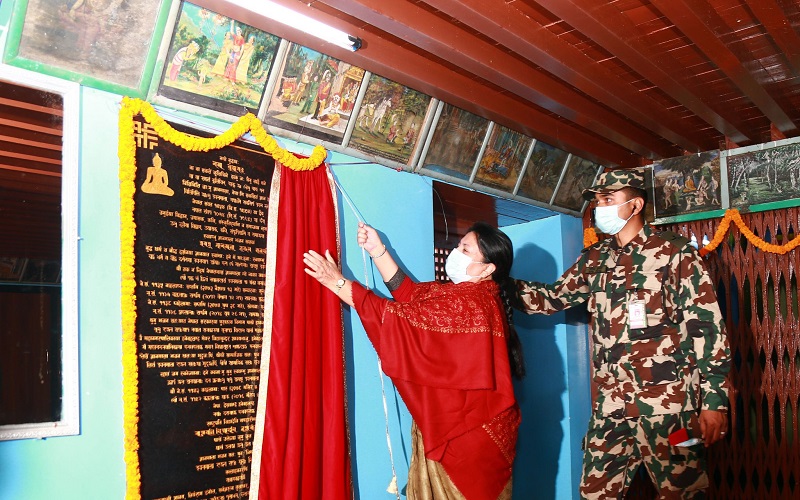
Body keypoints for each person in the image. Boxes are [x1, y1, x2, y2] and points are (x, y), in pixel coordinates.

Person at [506, 168, 730, 499]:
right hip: (612, 403)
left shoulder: (674, 252)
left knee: (682, 492)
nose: (599, 207)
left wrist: (714, 401)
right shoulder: (596, 257)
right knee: (594, 492)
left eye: (608, 199)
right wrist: (496, 284)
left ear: (635, 205)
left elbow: (706, 326)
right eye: (597, 201)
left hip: (669, 407)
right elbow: (551, 298)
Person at [304, 221, 526, 500]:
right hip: (464, 428)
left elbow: (398, 319)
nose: (455, 252)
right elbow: (412, 295)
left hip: (467, 437)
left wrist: (336, 281)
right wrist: (378, 251)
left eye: (465, 249)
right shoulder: (466, 295)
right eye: (458, 245)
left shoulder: (473, 303)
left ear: (488, 268)